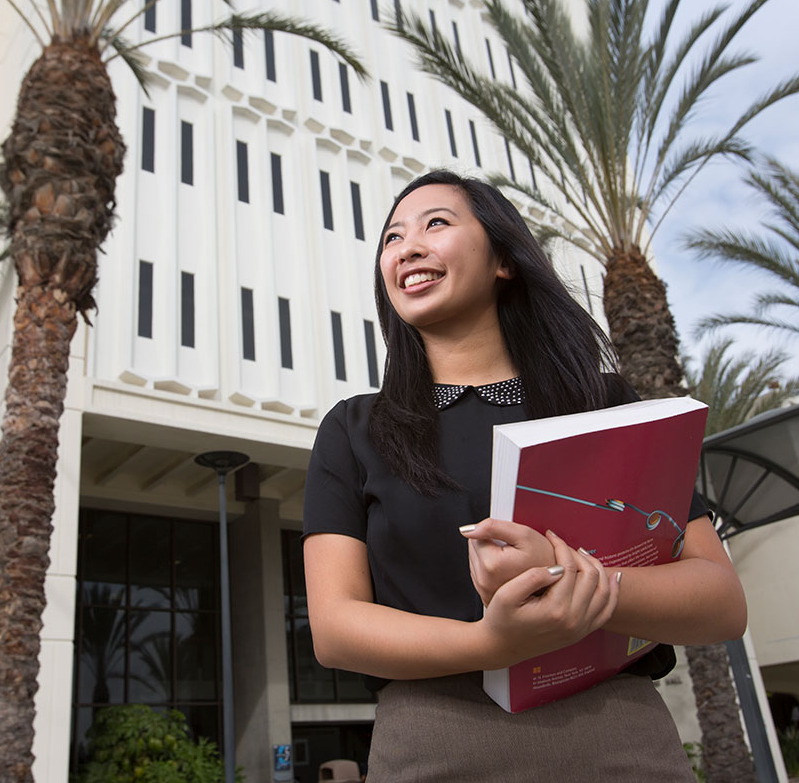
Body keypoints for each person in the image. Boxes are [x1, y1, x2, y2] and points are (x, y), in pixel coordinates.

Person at [301, 170, 747, 782]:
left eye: (436, 223)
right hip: (432, 746)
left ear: (504, 259)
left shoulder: (605, 404)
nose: (406, 248)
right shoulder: (355, 429)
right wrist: (493, 645)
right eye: (391, 238)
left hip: (620, 738)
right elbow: (335, 629)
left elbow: (720, 601)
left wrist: (569, 581)